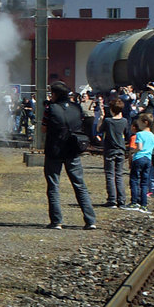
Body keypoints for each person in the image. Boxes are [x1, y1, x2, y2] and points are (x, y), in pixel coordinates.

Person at [43, 81, 98, 230]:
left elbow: (43, 128)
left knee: (53, 185)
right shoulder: (76, 107)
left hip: (54, 150)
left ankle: (56, 221)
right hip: (73, 149)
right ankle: (90, 220)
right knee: (79, 185)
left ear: (54, 94)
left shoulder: (51, 109)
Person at [96, 97, 129, 208]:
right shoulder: (124, 121)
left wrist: (101, 118)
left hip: (110, 149)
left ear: (111, 110)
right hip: (120, 149)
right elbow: (127, 134)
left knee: (110, 175)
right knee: (119, 175)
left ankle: (112, 199)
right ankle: (121, 200)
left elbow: (99, 130)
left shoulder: (108, 121)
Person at [126, 113, 154, 213]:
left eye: (139, 121)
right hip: (148, 159)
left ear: (145, 122)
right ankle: (144, 204)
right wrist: (148, 151)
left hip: (139, 158)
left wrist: (132, 152)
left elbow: (139, 147)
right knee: (144, 182)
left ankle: (134, 202)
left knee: (134, 180)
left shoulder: (139, 134)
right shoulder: (152, 135)